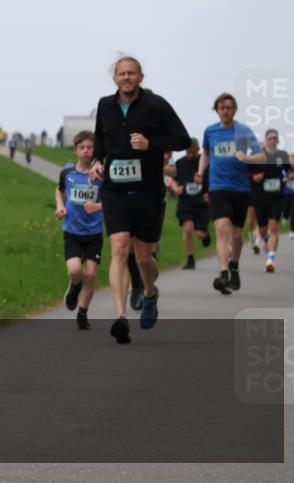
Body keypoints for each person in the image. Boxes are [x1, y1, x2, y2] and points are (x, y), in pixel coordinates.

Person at [91, 56, 190, 344]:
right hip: (115, 190)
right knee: (119, 249)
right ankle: (120, 316)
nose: (126, 77)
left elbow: (182, 139)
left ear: (141, 77)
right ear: (115, 78)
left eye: (131, 73)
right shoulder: (105, 105)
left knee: (143, 257)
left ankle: (149, 293)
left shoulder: (156, 105)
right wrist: (97, 160)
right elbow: (100, 138)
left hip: (147, 191)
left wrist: (151, 145)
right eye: (121, 73)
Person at [197, 93, 262, 295]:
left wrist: (246, 158)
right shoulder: (210, 131)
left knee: (237, 234)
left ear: (235, 110)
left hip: (240, 189)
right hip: (217, 188)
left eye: (229, 107)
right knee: (222, 229)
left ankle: (234, 265)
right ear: (217, 110)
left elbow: (261, 156)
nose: (225, 111)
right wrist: (200, 171)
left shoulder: (243, 131)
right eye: (222, 107)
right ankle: (224, 273)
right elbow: (206, 153)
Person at [54, 130, 103, 330]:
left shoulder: (100, 175)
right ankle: (75, 286)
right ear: (75, 150)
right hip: (72, 231)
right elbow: (59, 190)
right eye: (82, 147)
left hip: (94, 233)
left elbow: (111, 200)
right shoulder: (67, 173)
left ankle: (82, 313)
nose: (86, 151)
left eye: (90, 147)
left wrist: (97, 206)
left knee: (90, 274)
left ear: (94, 150)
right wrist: (60, 206)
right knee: (75, 270)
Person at [246, 129, 293, 272]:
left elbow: (289, 170)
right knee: (262, 230)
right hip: (260, 197)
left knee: (273, 226)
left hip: (276, 197)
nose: (272, 140)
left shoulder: (282, 155)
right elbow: (247, 172)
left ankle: (270, 260)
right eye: (270, 138)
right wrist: (254, 177)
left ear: (277, 140)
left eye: (275, 138)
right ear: (266, 139)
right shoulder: (257, 155)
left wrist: (290, 175)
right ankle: (263, 239)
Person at [165, 139, 212, 269]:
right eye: (188, 152)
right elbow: (173, 180)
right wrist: (176, 188)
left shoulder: (205, 163)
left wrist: (210, 194)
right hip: (185, 202)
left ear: (198, 150)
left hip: (201, 203)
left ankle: (205, 236)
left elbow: (213, 179)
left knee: (200, 234)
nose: (190, 155)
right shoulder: (180, 163)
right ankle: (190, 259)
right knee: (188, 228)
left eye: (193, 152)